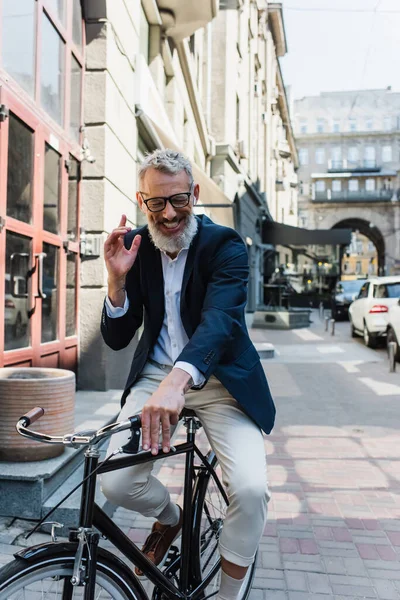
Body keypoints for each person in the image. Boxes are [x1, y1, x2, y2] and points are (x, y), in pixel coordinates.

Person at [101, 149, 275, 600]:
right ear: (143, 202)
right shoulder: (137, 248)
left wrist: (180, 380)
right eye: (156, 204)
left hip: (221, 385)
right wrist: (116, 282)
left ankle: (230, 595)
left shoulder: (225, 245)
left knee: (251, 490)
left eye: (178, 199)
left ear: (194, 193)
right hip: (156, 378)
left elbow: (220, 320)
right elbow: (119, 338)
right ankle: (171, 518)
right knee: (115, 480)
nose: (169, 214)